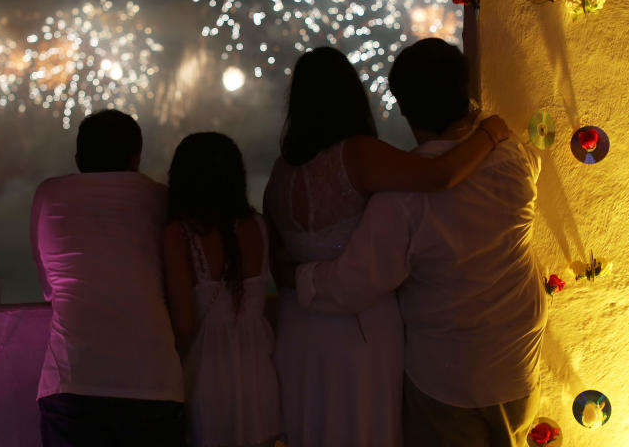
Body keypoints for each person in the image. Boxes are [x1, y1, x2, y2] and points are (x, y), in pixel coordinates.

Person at [296, 38, 545, 447]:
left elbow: (352, 284)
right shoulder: (513, 159)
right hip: (517, 363)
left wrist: (298, 274)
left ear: (404, 107)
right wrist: (483, 126)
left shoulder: (400, 198)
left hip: (448, 375)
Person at [31, 109, 184, 447]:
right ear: (136, 157)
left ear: (78, 158)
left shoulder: (49, 194)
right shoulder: (161, 198)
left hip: (71, 382)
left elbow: (49, 289)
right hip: (153, 381)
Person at [162, 132, 283, 447]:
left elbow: (184, 325)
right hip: (259, 372)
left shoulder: (180, 235)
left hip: (207, 377)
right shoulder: (258, 226)